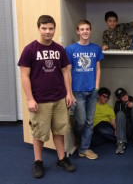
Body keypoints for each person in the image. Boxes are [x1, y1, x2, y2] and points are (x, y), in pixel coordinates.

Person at [18, 15, 76, 178]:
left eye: (51, 28)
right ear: (38, 29)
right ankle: (38, 162)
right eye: (44, 28)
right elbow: (24, 76)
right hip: (40, 100)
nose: (47, 31)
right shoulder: (30, 50)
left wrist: (69, 93)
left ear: (54, 29)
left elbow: (65, 72)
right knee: (39, 133)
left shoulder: (59, 49)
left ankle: (61, 159)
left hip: (59, 98)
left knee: (59, 130)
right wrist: (30, 98)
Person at [65, 20, 104, 160]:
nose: (85, 31)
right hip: (77, 91)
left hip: (92, 91)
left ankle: (84, 148)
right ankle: (79, 138)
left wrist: (97, 87)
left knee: (89, 121)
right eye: (82, 29)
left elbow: (98, 69)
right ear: (77, 31)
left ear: (91, 30)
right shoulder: (70, 49)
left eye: (87, 29)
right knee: (81, 121)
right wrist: (69, 92)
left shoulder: (96, 49)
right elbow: (68, 72)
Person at [114, 88, 133, 154]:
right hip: (126, 129)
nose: (124, 97)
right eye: (122, 96)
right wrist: (116, 129)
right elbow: (117, 119)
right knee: (119, 113)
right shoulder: (117, 104)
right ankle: (121, 142)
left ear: (127, 93)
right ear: (119, 99)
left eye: (125, 94)